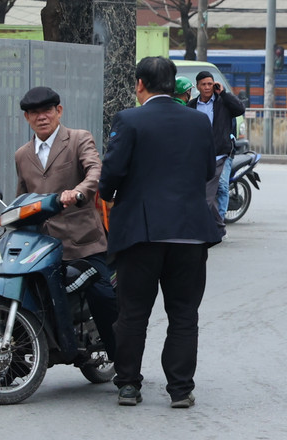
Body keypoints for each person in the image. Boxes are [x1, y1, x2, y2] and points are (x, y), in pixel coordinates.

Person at [98, 57, 222, 408]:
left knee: (133, 312)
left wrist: (108, 195)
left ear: (140, 84)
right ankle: (180, 389)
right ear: (175, 85)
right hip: (191, 231)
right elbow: (206, 170)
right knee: (184, 314)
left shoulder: (129, 119)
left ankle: (127, 385)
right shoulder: (198, 121)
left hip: (141, 233)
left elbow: (112, 173)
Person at [13, 87, 117, 375]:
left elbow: (95, 171)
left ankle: (124, 363)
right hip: (43, 246)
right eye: (34, 113)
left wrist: (79, 192)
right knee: (15, 292)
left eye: (47, 110)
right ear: (26, 117)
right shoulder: (22, 155)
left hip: (83, 242)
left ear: (59, 111)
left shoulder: (79, 139)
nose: (41, 117)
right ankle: (16, 365)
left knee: (103, 297)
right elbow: (22, 198)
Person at [187, 71, 244, 230]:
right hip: (199, 155)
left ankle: (218, 225)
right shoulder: (192, 105)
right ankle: (216, 223)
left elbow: (240, 109)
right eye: (203, 84)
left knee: (221, 187)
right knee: (201, 191)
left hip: (220, 154)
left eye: (210, 84)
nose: (207, 87)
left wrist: (224, 93)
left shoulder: (222, 102)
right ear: (197, 86)